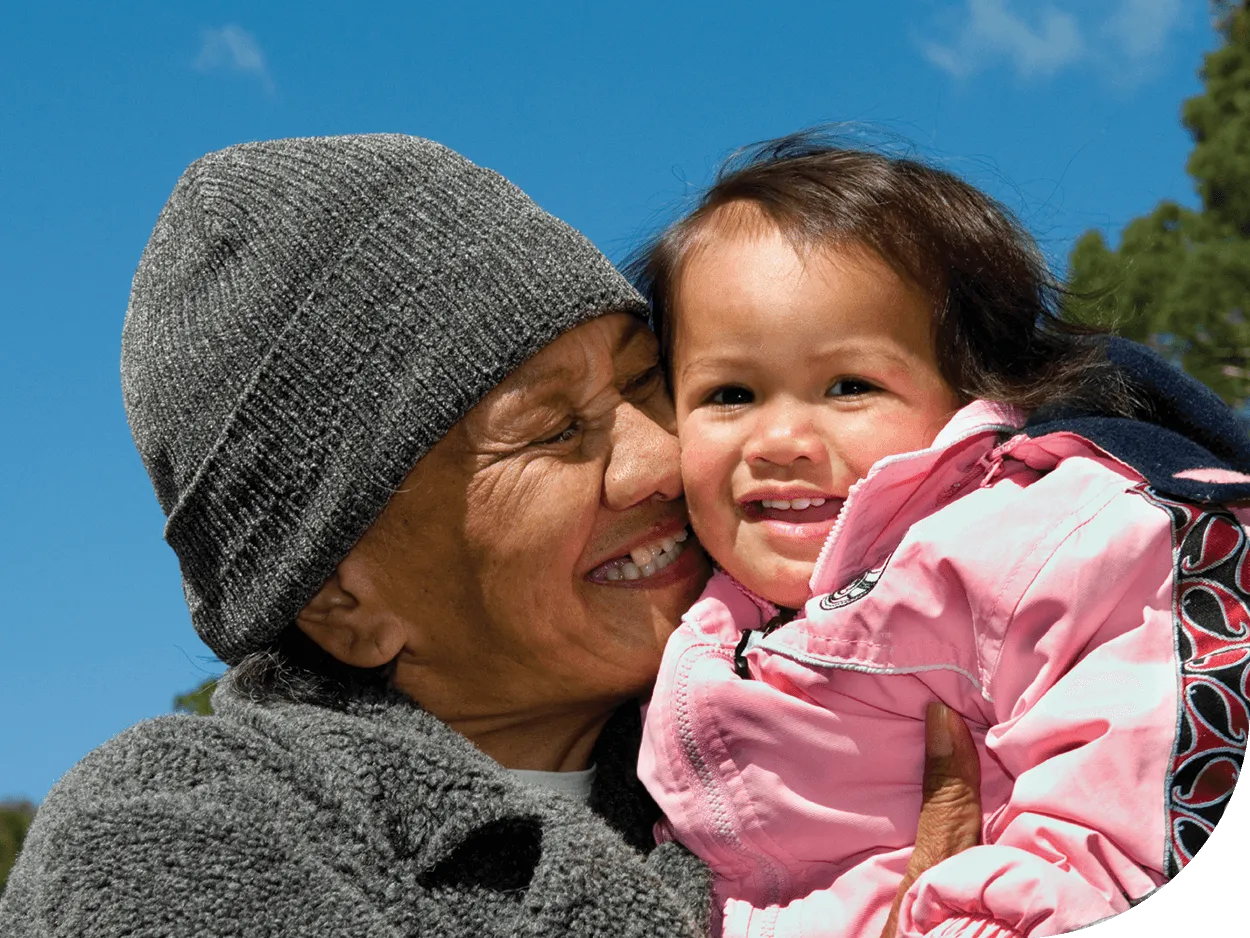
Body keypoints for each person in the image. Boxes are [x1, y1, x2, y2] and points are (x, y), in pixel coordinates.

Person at [0, 134, 981, 938]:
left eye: (644, 381)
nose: (656, 458)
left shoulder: (816, 688)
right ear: (343, 603)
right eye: (554, 429)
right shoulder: (174, 839)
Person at [631, 135, 1250, 938]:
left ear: (975, 396)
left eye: (849, 385)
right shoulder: (699, 618)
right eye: (730, 393)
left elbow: (1128, 818)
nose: (779, 437)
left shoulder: (1038, 545)